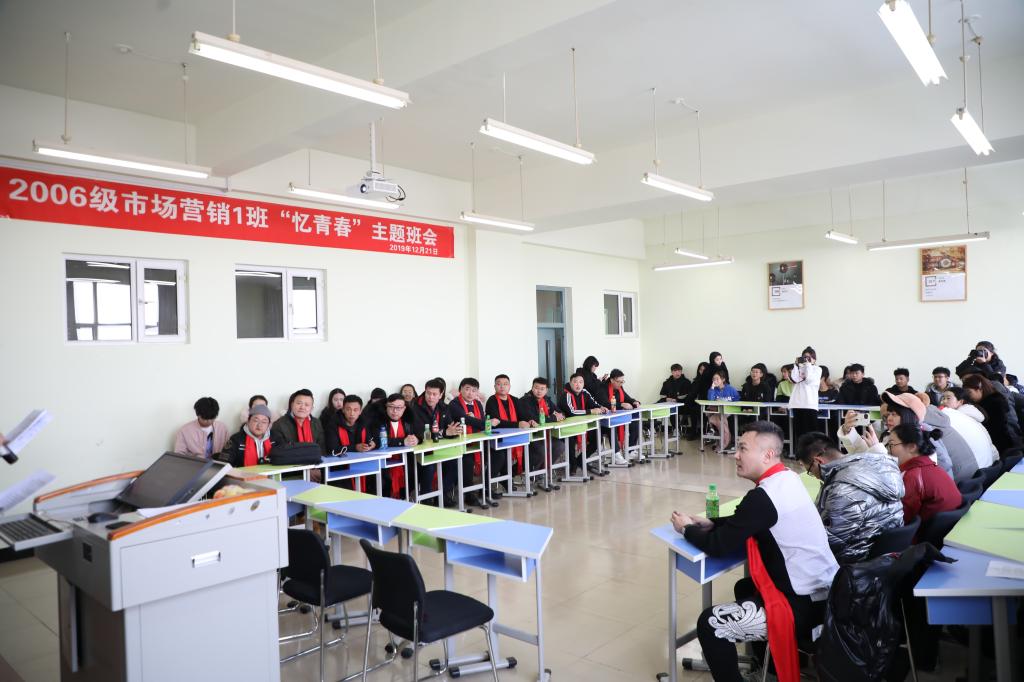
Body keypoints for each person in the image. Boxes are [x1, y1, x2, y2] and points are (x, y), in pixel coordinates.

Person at [672, 421, 838, 682]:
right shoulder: (788, 478)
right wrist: (712, 522)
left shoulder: (764, 496)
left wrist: (686, 529)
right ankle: (768, 672)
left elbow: (718, 546)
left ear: (767, 454)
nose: (735, 455)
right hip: (827, 591)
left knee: (711, 624)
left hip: (801, 604)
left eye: (743, 448)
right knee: (745, 587)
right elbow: (748, 519)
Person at [796, 430, 904, 564]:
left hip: (859, 562)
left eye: (810, 471)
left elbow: (831, 541)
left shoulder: (842, 487)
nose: (814, 476)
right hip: (883, 555)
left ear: (818, 461)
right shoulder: (872, 465)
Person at [888, 423, 962, 527]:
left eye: (891, 445)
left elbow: (901, 519)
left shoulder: (913, 476)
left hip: (925, 534)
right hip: (946, 529)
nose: (889, 451)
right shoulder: (932, 467)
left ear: (912, 447)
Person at [411, 379, 463, 504]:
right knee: (429, 467)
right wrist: (444, 433)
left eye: (434, 394)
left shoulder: (443, 407)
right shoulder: (415, 407)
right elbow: (420, 433)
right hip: (421, 450)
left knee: (455, 463)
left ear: (441, 395)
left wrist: (453, 431)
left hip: (439, 448)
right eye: (428, 393)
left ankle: (442, 495)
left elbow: (449, 428)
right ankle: (426, 499)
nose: (430, 397)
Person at [448, 377, 495, 507]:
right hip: (461, 443)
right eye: (467, 389)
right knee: (468, 461)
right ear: (460, 390)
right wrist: (486, 423)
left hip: (478, 441)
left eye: (474, 390)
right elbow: (466, 420)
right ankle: (469, 495)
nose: (470, 393)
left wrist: (482, 422)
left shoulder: (478, 404)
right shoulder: (454, 404)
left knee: (497, 454)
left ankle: (485, 489)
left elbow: (481, 421)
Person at [370, 393, 421, 499]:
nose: (395, 411)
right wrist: (402, 442)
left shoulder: (408, 420)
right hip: (383, 463)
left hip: (406, 462)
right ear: (386, 407)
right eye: (391, 407)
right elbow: (378, 440)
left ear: (404, 409)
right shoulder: (378, 420)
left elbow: (420, 433)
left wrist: (417, 439)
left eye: (398, 408)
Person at [486, 374, 530, 488]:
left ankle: (507, 479)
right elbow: (497, 422)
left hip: (513, 436)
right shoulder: (491, 401)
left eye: (505, 384)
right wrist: (517, 424)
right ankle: (487, 486)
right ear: (494, 386)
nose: (502, 386)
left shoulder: (514, 400)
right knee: (502, 455)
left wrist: (529, 421)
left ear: (509, 386)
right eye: (499, 384)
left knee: (531, 450)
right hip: (497, 438)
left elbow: (523, 416)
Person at [559, 372, 606, 474]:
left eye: (581, 382)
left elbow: (593, 403)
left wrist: (601, 407)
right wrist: (591, 411)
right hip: (568, 428)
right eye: (575, 382)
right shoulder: (566, 395)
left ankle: (580, 460)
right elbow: (572, 412)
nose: (578, 384)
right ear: (570, 383)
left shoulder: (585, 392)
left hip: (582, 425)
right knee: (570, 440)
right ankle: (573, 464)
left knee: (597, 438)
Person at [938, 388, 998, 470]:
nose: (943, 401)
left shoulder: (960, 417)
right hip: (989, 461)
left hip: (986, 462)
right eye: (943, 398)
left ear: (960, 402)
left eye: (948, 398)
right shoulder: (967, 412)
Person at [962, 374, 1022, 454]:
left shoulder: (994, 403)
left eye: (969, 392)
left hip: (1003, 446)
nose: (968, 396)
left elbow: (996, 431)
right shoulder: (987, 401)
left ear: (979, 389)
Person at [518, 377, 566, 472]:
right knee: (541, 450)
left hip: (546, 434)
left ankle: (543, 470)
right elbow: (532, 419)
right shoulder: (525, 401)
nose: (539, 391)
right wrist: (553, 418)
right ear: (532, 388)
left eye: (542, 389)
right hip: (531, 436)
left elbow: (561, 413)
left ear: (546, 390)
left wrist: (559, 416)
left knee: (560, 446)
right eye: (536, 388)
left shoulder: (546, 400)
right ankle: (533, 472)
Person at [595, 369, 641, 465]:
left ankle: (630, 450)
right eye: (619, 381)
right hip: (604, 421)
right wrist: (622, 405)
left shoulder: (619, 387)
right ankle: (616, 454)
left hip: (618, 417)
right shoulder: (602, 387)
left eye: (622, 381)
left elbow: (627, 397)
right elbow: (605, 403)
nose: (621, 384)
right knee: (613, 426)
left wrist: (634, 401)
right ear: (612, 380)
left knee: (635, 423)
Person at [789, 347, 823, 445]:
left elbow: (809, 380)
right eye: (804, 357)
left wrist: (807, 365)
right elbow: (794, 380)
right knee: (799, 432)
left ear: (814, 359)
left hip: (809, 404)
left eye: (809, 357)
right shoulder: (799, 368)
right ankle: (800, 452)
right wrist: (796, 365)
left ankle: (813, 452)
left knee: (811, 433)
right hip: (797, 403)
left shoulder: (817, 369)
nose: (806, 359)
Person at [707, 370, 741, 451]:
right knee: (718, 416)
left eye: (717, 379)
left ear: (723, 379)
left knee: (720, 417)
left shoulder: (731, 389)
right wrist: (712, 388)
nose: (715, 381)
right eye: (713, 379)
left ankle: (724, 441)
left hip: (729, 411)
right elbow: (710, 401)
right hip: (717, 411)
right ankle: (725, 441)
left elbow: (737, 400)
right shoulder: (712, 390)